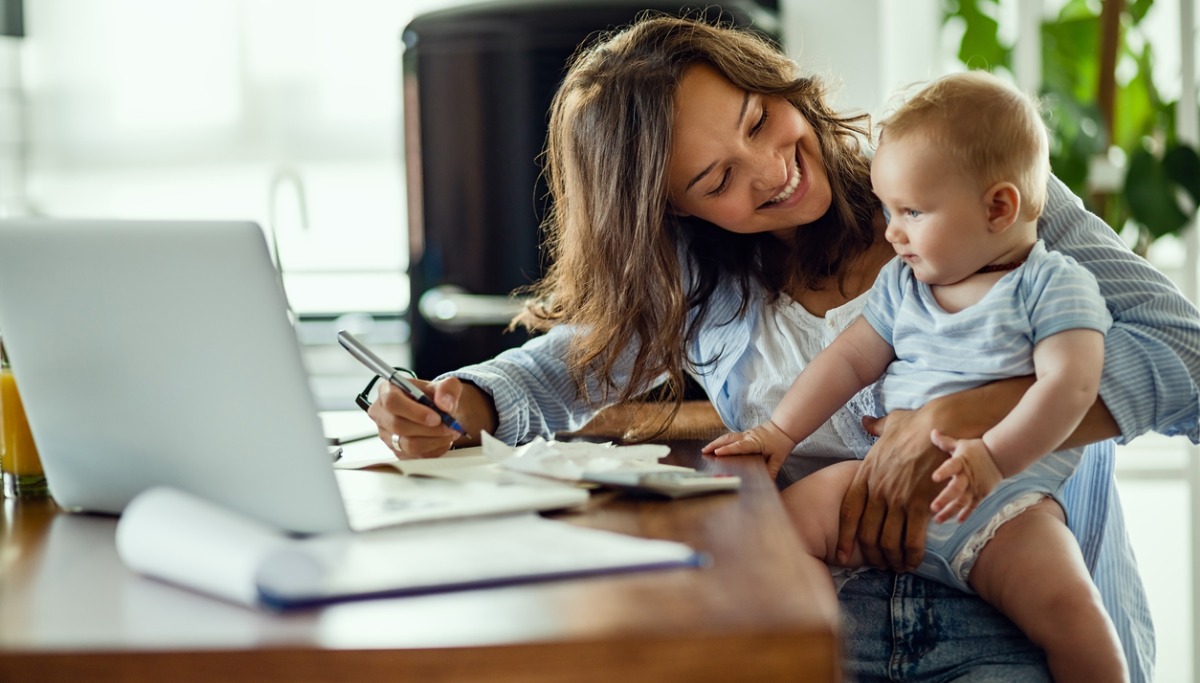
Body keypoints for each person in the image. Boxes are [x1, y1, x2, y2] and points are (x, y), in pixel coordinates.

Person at [367, 12, 1200, 681]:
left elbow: (1188, 359)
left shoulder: (969, 185)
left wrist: (966, 413)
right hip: (831, 621)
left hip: (1018, 618)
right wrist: (455, 403)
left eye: (760, 121)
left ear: (775, 83)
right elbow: (564, 367)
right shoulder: (705, 280)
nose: (770, 171)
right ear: (676, 214)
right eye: (717, 180)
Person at [704, 71, 1125, 680]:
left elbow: (1072, 388)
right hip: (878, 483)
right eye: (887, 209)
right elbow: (848, 360)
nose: (892, 230)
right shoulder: (906, 284)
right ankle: (820, 653)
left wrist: (994, 459)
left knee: (1074, 614)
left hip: (1005, 507)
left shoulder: (1052, 286)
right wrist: (779, 433)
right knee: (776, 534)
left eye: (912, 211)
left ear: (998, 207)